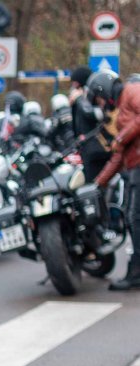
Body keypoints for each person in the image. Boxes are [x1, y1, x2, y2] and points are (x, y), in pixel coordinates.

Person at [91, 71, 140, 290]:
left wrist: (120, 138)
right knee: (132, 218)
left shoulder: (132, 90)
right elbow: (118, 156)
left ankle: (137, 272)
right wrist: (98, 183)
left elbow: (120, 146)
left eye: (99, 99)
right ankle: (136, 269)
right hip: (134, 167)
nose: (101, 104)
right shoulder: (122, 112)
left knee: (134, 217)